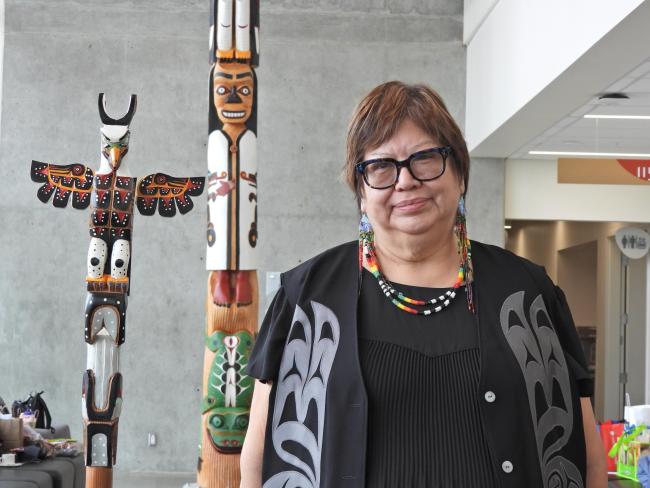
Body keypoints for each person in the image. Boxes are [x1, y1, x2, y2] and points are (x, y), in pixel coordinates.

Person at [240, 82, 608, 488]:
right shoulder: (307, 297)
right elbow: (258, 461)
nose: (405, 181)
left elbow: (587, 457)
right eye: (381, 166)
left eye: (426, 158)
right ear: (361, 192)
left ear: (460, 174)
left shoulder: (527, 294)